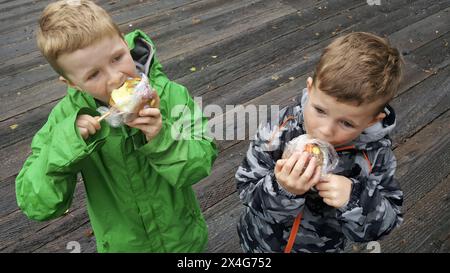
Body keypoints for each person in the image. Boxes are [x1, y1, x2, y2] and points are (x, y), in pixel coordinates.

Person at [16, 0, 217, 253]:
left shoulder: (170, 96)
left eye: (117, 58)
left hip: (184, 241)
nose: (115, 78)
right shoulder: (66, 120)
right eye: (93, 75)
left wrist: (161, 137)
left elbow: (201, 164)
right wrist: (66, 144)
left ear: (124, 42)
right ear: (71, 83)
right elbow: (37, 205)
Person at [235, 32, 404, 253]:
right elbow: (245, 187)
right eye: (320, 110)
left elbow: (385, 224)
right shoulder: (280, 128)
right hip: (259, 244)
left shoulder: (375, 156)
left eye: (346, 123)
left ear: (372, 120)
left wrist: (354, 199)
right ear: (310, 88)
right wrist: (282, 189)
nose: (325, 131)